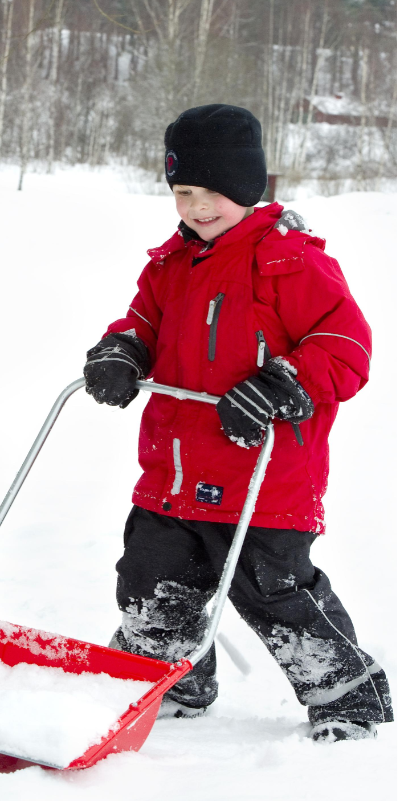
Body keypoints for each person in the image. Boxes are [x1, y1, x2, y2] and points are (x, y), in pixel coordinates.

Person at [83, 104, 393, 743]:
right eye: (183, 192)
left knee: (277, 592)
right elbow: (142, 321)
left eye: (214, 193)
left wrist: (283, 382)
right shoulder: (170, 264)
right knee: (150, 580)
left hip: (263, 477)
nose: (197, 208)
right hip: (173, 471)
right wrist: (123, 351)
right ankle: (170, 680)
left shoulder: (290, 262)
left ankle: (348, 698)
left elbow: (345, 345)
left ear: (249, 188)